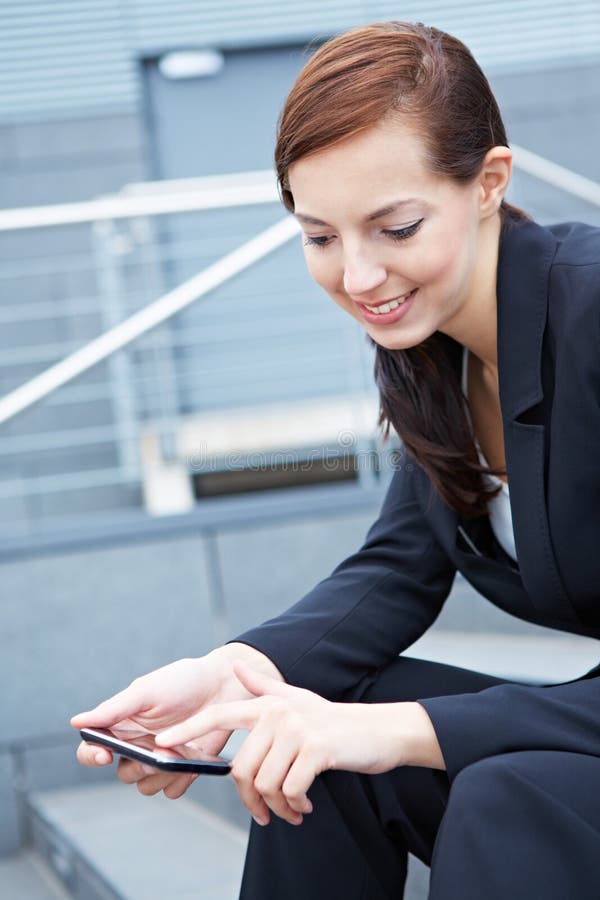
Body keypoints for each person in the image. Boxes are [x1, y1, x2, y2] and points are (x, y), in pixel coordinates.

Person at [71, 21, 600, 899]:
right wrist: (232, 678)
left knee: (503, 794)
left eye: (394, 227)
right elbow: (398, 566)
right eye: (319, 236)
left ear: (489, 184)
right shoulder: (431, 346)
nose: (358, 276)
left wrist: (398, 730)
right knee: (320, 746)